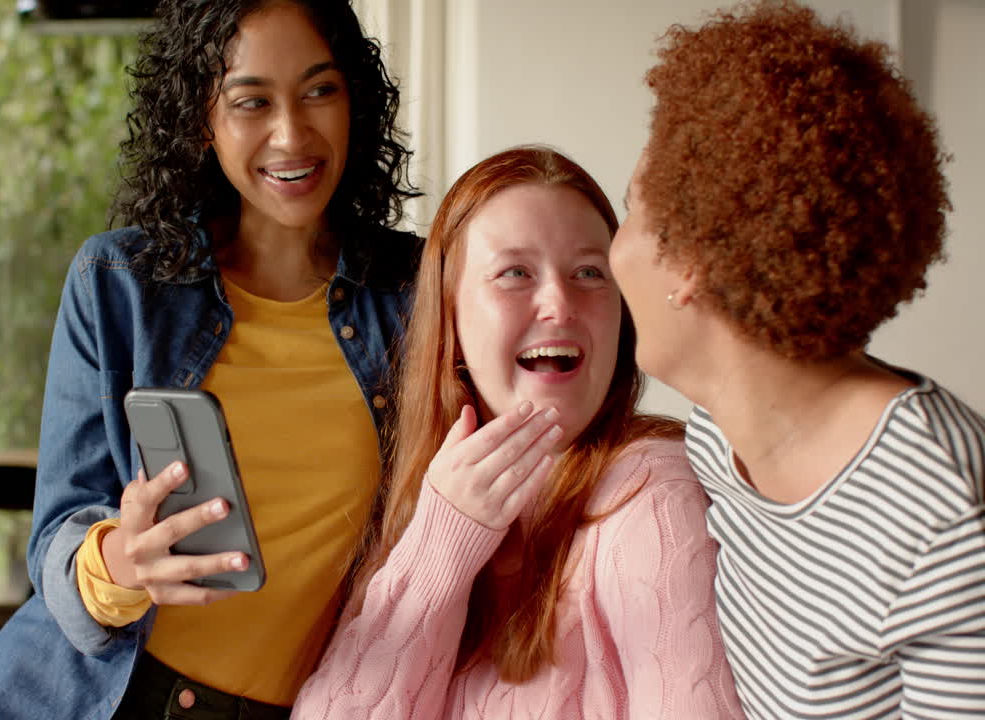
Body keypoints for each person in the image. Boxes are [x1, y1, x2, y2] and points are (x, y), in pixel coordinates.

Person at [0, 1, 421, 718]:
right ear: (203, 120)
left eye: (320, 90)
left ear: (355, 98)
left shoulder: (415, 293)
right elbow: (58, 534)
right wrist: (118, 561)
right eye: (251, 101)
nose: (292, 134)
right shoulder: (119, 284)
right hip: (87, 696)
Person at [608, 2, 985, 718]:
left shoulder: (941, 512)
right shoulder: (718, 439)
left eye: (631, 210)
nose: (612, 250)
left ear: (689, 256)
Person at [291, 146, 745, 719]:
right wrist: (441, 545)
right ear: (450, 316)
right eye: (515, 273)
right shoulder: (422, 504)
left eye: (588, 272)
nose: (558, 302)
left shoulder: (651, 493)